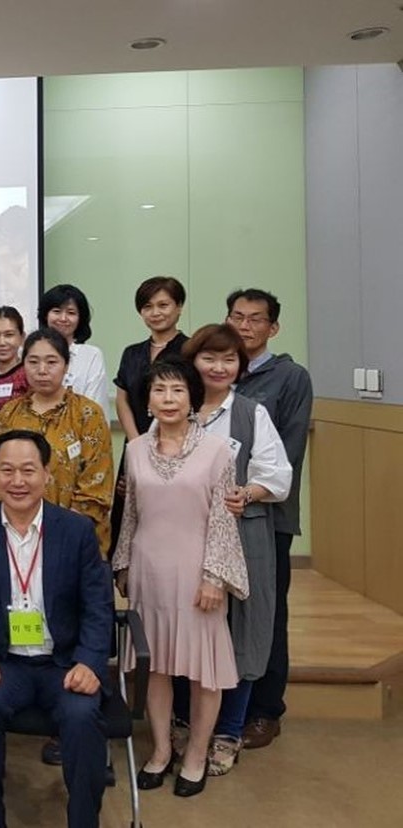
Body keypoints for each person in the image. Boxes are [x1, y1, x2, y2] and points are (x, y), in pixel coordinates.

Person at [0, 430, 114, 828]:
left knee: (82, 717)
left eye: (28, 470)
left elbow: (98, 605)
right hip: (5, 662)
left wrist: (90, 663)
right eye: (7, 470)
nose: (17, 481)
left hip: (64, 664)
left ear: (47, 473)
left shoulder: (76, 530)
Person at [112, 358, 248, 799]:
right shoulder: (134, 450)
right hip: (148, 571)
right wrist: (123, 566)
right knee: (155, 668)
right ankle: (161, 750)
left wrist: (215, 577)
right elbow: (131, 515)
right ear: (147, 400)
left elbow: (223, 522)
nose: (168, 399)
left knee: (203, 672)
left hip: (197, 575)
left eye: (177, 390)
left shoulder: (218, 450)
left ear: (192, 398)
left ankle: (196, 756)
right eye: (159, 391)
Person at [171, 324, 292, 775]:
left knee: (241, 633)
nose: (219, 367)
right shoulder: (176, 408)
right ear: (193, 362)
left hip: (243, 535)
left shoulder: (250, 413)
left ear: (240, 366)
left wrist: (250, 492)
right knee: (189, 629)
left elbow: (277, 475)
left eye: (229, 359)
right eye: (209, 358)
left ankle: (228, 731)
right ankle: (186, 724)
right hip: (184, 538)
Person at [225, 288, 313, 750]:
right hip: (220, 516)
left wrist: (252, 493)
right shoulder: (220, 371)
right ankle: (225, 707)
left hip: (268, 517)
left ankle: (265, 710)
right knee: (225, 614)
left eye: (255, 319)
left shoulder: (290, 377)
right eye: (237, 316)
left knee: (267, 613)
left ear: (273, 327)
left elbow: (290, 452)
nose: (245, 325)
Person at [0, 329, 114, 556]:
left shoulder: (87, 414)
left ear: (66, 366)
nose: (42, 370)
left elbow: (96, 486)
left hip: (76, 541)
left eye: (51, 362)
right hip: (18, 540)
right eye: (33, 362)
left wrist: (60, 533)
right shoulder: (9, 415)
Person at [114, 277, 189, 442]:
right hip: (135, 442)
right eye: (148, 307)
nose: (155, 313)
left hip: (180, 444)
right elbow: (122, 400)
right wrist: (135, 442)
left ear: (179, 307)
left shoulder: (191, 350)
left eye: (163, 305)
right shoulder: (132, 353)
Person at [37, 284, 111, 422]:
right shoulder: (31, 352)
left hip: (82, 430)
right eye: (56, 311)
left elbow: (95, 406)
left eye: (71, 313)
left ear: (80, 318)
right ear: (45, 315)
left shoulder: (91, 355)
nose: (63, 318)